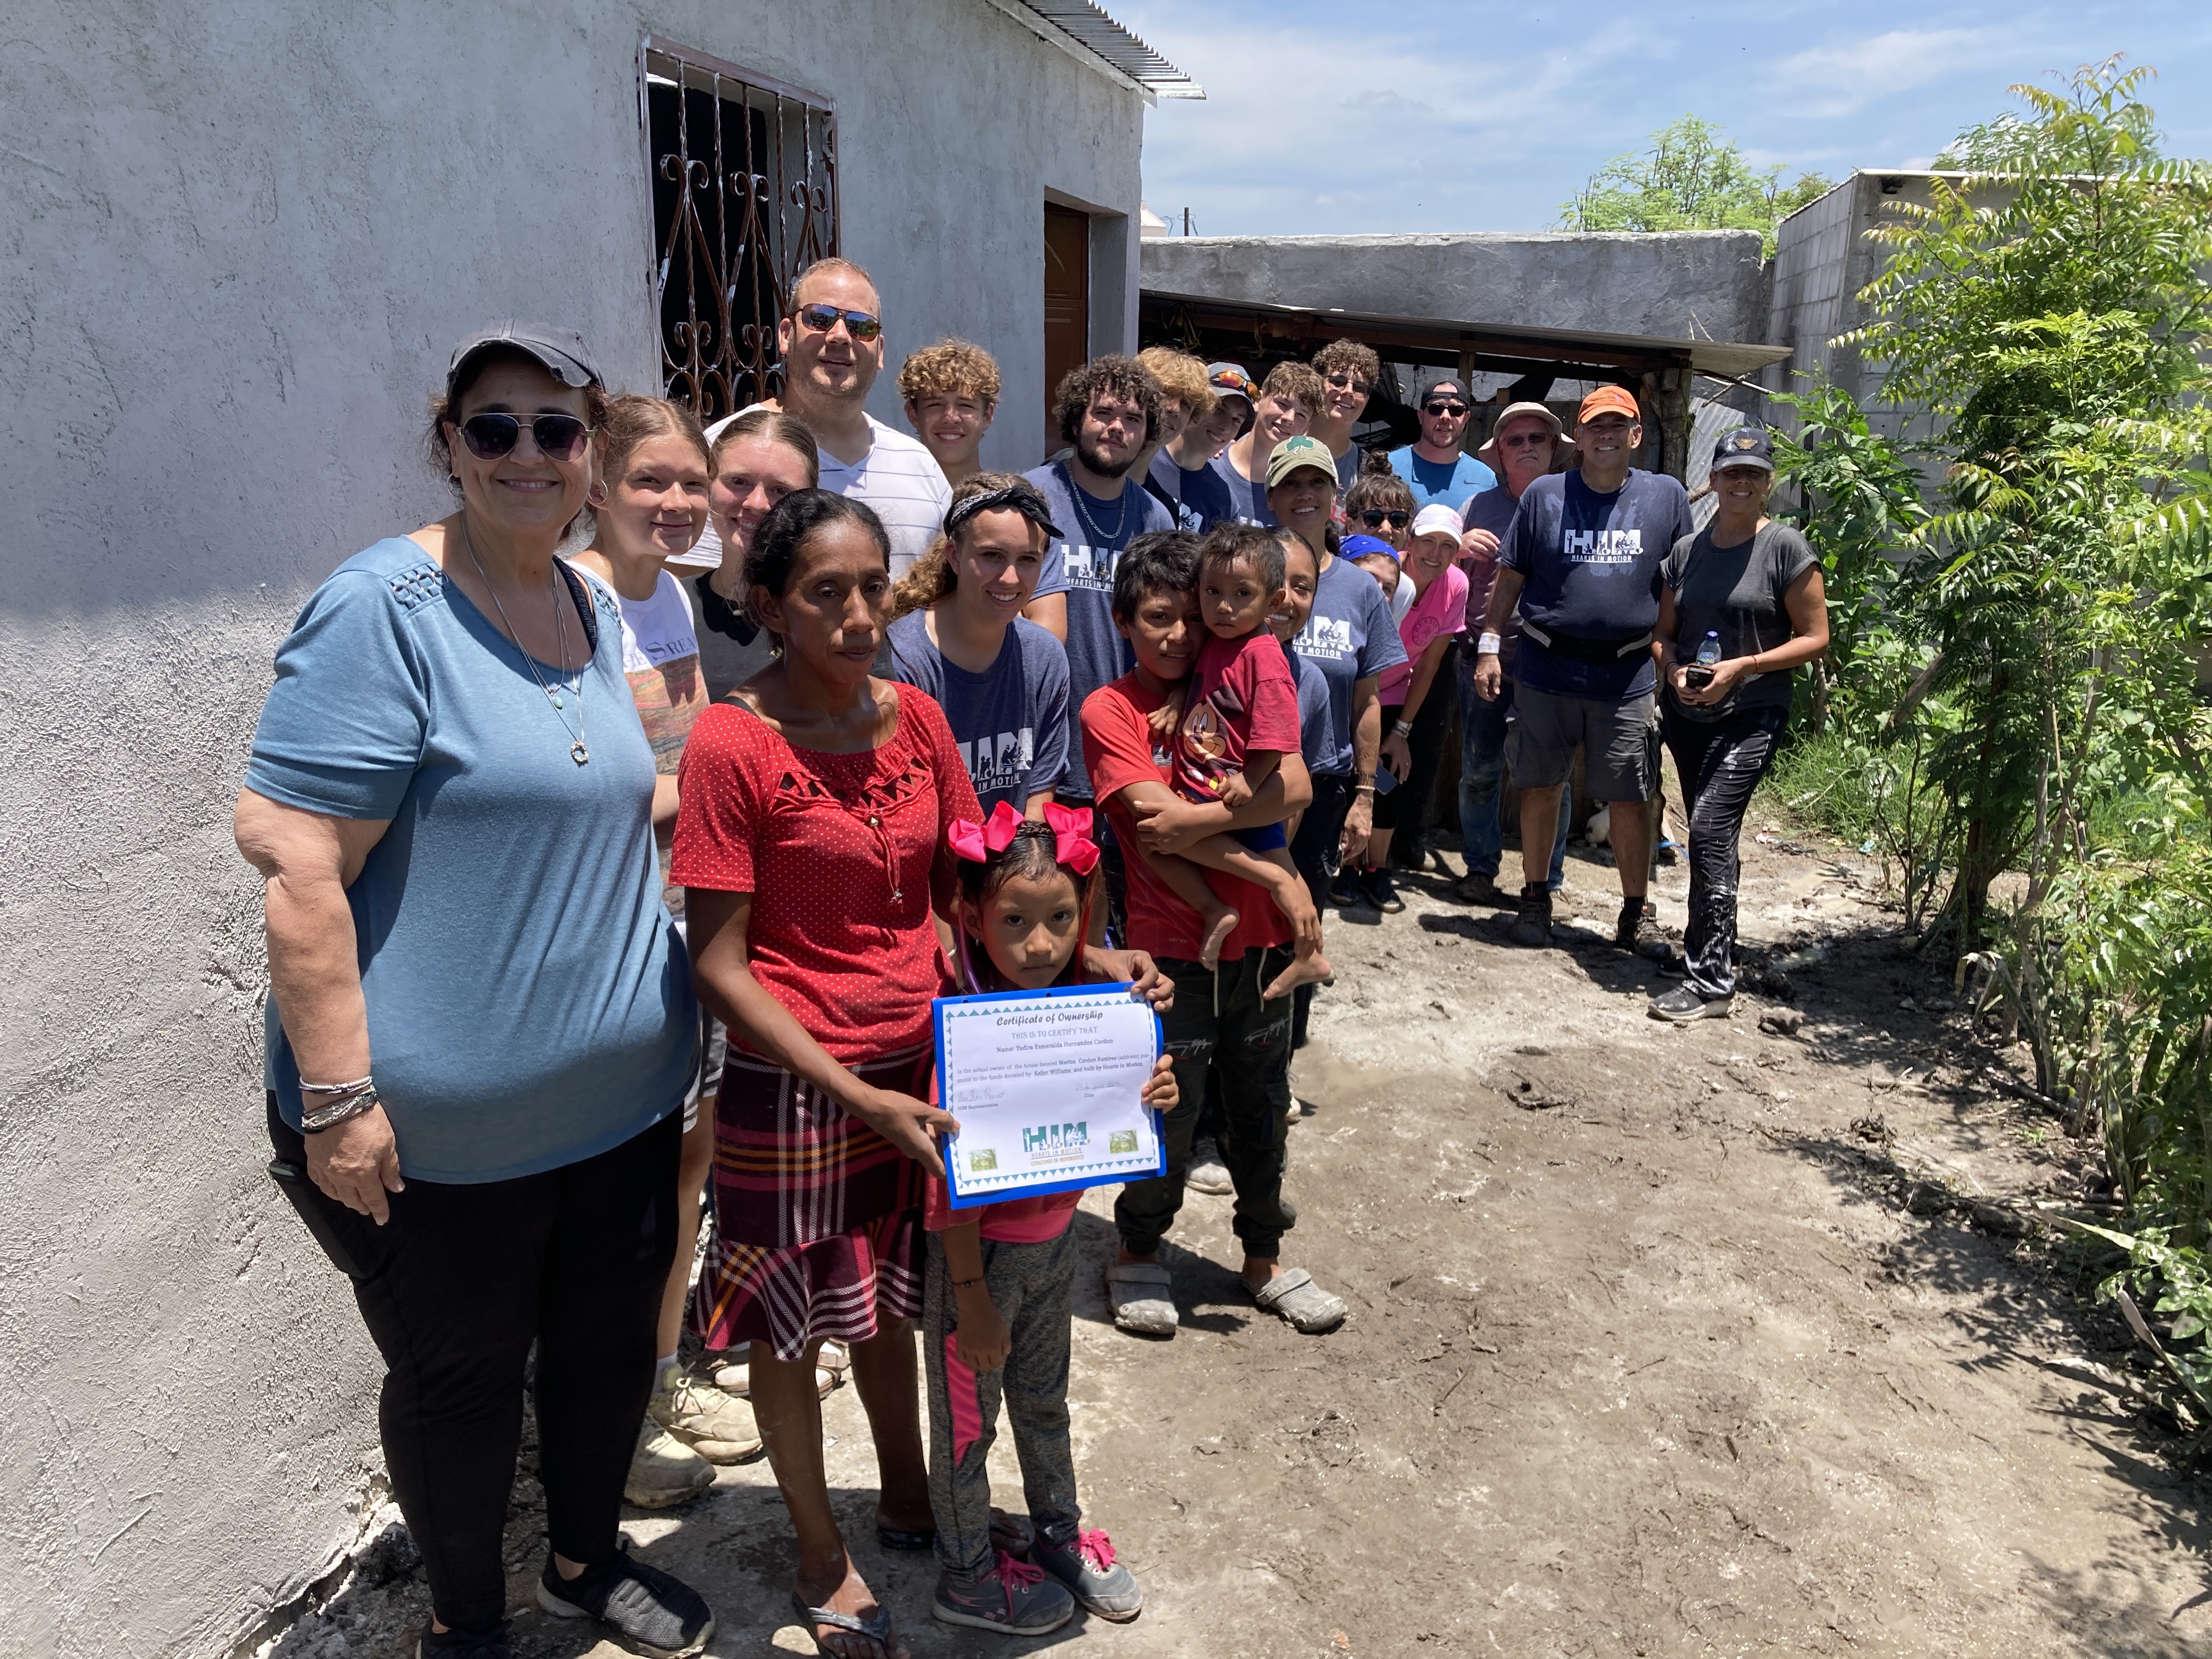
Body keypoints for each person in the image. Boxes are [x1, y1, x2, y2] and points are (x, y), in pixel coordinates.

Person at [236, 321, 713, 1659]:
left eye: (555, 429)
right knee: (459, 1390)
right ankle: (467, 1626)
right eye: (492, 427)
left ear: (591, 458)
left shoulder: (592, 600)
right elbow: (297, 860)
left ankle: (582, 1563)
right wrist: (337, 1102)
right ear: (448, 442)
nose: (525, 454)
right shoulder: (381, 606)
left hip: (620, 1107)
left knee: (607, 1360)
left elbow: (611, 795)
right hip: (434, 1146)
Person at [672, 489, 973, 1659]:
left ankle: (903, 1487)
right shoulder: (733, 742)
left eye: (871, 586)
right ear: (770, 608)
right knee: (788, 1328)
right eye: (824, 593)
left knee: (893, 1300)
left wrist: (1087, 968)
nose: (859, 614)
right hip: (799, 1083)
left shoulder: (919, 722)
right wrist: (852, 1091)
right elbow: (719, 963)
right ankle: (814, 1546)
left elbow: (966, 887)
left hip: (918, 1055)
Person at [570, 396, 766, 1503]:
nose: (678, 503)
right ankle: (613, 1411)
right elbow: (593, 782)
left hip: (685, 916)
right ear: (599, 484)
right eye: (652, 482)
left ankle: (661, 1370)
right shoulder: (577, 598)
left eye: (691, 484)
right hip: (609, 931)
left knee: (689, 1163)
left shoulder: (677, 600)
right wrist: (723, 797)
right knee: (627, 1183)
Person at [1082, 537, 1346, 1338]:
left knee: (1262, 1105)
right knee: (1169, 1104)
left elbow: (1295, 783)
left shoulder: (1231, 677)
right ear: (1124, 620)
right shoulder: (1112, 710)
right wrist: (1274, 871)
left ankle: (1263, 1258)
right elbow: (1154, 826)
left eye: (1187, 620)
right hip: (1171, 948)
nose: (1178, 637)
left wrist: (1261, 865)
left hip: (1263, 945)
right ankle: (1136, 1249)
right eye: (1156, 620)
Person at [922, 806, 1175, 1635]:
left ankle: (1058, 1534)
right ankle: (963, 1574)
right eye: (1015, 922)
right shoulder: (963, 1034)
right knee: (968, 1426)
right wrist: (973, 1301)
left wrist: (1149, 1090)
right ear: (971, 917)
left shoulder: (1085, 1011)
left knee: (1045, 1402)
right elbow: (949, 1192)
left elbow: (1112, 1105)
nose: (1041, 944)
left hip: (1053, 1251)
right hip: (978, 1272)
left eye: (1060, 919)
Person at [1473, 386, 1695, 956]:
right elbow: (1511, 578)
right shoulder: (1546, 496)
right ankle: (1534, 898)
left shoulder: (1666, 497)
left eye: (1618, 427)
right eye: (1596, 426)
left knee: (1631, 795)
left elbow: (1681, 586)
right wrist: (1491, 646)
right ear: (1580, 435)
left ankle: (1635, 913)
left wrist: (1679, 655)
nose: (1606, 436)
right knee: (1540, 786)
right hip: (1548, 664)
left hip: (1626, 673)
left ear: (1636, 436)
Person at [1649, 427, 1829, 1021]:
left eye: (1753, 473)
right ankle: (1711, 948)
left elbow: (1815, 638)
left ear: (1768, 482)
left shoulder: (1785, 549)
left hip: (1754, 709)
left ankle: (1711, 981)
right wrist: (1673, 670)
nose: (1741, 483)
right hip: (1691, 711)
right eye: (1732, 473)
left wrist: (1744, 667)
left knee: (1708, 825)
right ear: (1715, 480)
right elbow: (1663, 635)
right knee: (1711, 835)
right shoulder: (1688, 551)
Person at [1143, 524, 1331, 991]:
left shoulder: (1264, 658)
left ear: (1273, 602)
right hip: (1211, 787)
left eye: (1241, 593)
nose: (1224, 606)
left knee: (1279, 878)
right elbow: (1202, 680)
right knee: (1277, 876)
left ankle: (1310, 957)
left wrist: (1249, 781)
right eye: (1213, 591)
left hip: (1235, 796)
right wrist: (1178, 695)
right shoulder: (1221, 641)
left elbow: (1276, 734)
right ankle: (1227, 916)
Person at [699, 257, 952, 581]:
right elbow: (689, 597)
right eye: (820, 318)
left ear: (880, 351)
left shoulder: (920, 465)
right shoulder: (724, 450)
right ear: (786, 335)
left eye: (862, 326)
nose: (840, 336)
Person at [1275, 436, 1404, 997]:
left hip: (1325, 780)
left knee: (1304, 922)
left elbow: (1368, 699)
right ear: (1271, 493)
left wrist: (1366, 795)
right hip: (1248, 778)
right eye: (1291, 483)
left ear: (1336, 499)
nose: (1304, 495)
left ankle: (1286, 1050)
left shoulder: (1359, 589)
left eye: (1317, 484)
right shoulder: (1242, 568)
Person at [1020, 357, 1175, 806]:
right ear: (1076, 418)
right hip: (1041, 733)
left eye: (1133, 419)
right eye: (1103, 413)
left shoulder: (1155, 516)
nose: (1117, 428)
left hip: (1125, 739)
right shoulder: (1033, 497)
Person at [889, 473, 1072, 816]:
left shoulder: (1046, 658)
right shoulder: (902, 661)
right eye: (992, 555)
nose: (1010, 578)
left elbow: (1038, 796)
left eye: (1028, 560)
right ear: (955, 557)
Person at [1452, 400, 1572, 907]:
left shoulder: (1576, 504)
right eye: (1514, 441)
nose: (1525, 448)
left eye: (1536, 440)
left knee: (1552, 776)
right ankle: (1480, 867)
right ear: (1499, 452)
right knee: (1480, 766)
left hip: (1552, 657)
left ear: (1552, 450)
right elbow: (1434, 564)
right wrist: (1456, 546)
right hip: (1483, 652)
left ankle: (1548, 877)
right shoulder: (1477, 507)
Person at [1350, 504, 1469, 912]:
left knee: (1389, 779)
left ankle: (1376, 869)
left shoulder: (1457, 585)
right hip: (1354, 688)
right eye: (1428, 542)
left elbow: (1431, 663)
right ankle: (1347, 866)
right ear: (1411, 540)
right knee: (1345, 779)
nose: (1435, 554)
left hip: (1398, 690)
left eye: (1448, 546)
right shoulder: (1384, 575)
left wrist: (1402, 731)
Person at [689, 409, 821, 702]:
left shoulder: (838, 608)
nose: (757, 503)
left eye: (780, 489)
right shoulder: (670, 606)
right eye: (738, 482)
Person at [1211, 361, 1324, 526]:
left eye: (1301, 415)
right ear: (1259, 400)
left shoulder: (1295, 496)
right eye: (1282, 404)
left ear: (1307, 428)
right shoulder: (1209, 460)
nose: (1289, 418)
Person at [1136, 346, 1234, 533]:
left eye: (1186, 404)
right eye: (1165, 393)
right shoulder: (1085, 471)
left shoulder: (1165, 511)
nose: (1175, 409)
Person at [1387, 374, 1496, 514]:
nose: (1446, 417)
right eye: (1436, 409)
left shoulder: (1485, 478)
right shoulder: (1388, 467)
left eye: (1456, 410)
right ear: (1421, 416)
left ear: (1466, 418)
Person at [899, 339, 1000, 488]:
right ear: (913, 414)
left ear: (987, 415)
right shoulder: (893, 496)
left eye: (965, 405)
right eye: (935, 405)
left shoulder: (1009, 505)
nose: (950, 418)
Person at [1308, 340, 1380, 493]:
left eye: (1360, 388)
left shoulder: (1371, 474)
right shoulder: (1278, 445)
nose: (1348, 391)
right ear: (1316, 384)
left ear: (1366, 400)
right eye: (1338, 381)